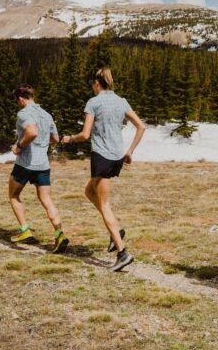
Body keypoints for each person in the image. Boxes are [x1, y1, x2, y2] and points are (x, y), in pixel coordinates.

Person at [61, 68, 146, 272]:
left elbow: (85, 134)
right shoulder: (121, 100)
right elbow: (141, 126)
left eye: (92, 84)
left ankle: (122, 252)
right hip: (116, 156)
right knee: (89, 192)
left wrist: (69, 139)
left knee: (104, 204)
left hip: (102, 156)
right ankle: (115, 229)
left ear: (97, 84)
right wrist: (130, 151)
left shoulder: (94, 102)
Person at [8, 85, 69, 253]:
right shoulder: (47, 115)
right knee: (46, 200)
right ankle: (59, 234)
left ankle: (24, 229)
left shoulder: (24, 113)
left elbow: (32, 132)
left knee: (13, 195)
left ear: (21, 99)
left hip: (25, 164)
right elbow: (55, 139)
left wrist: (19, 145)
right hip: (43, 164)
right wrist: (41, 143)